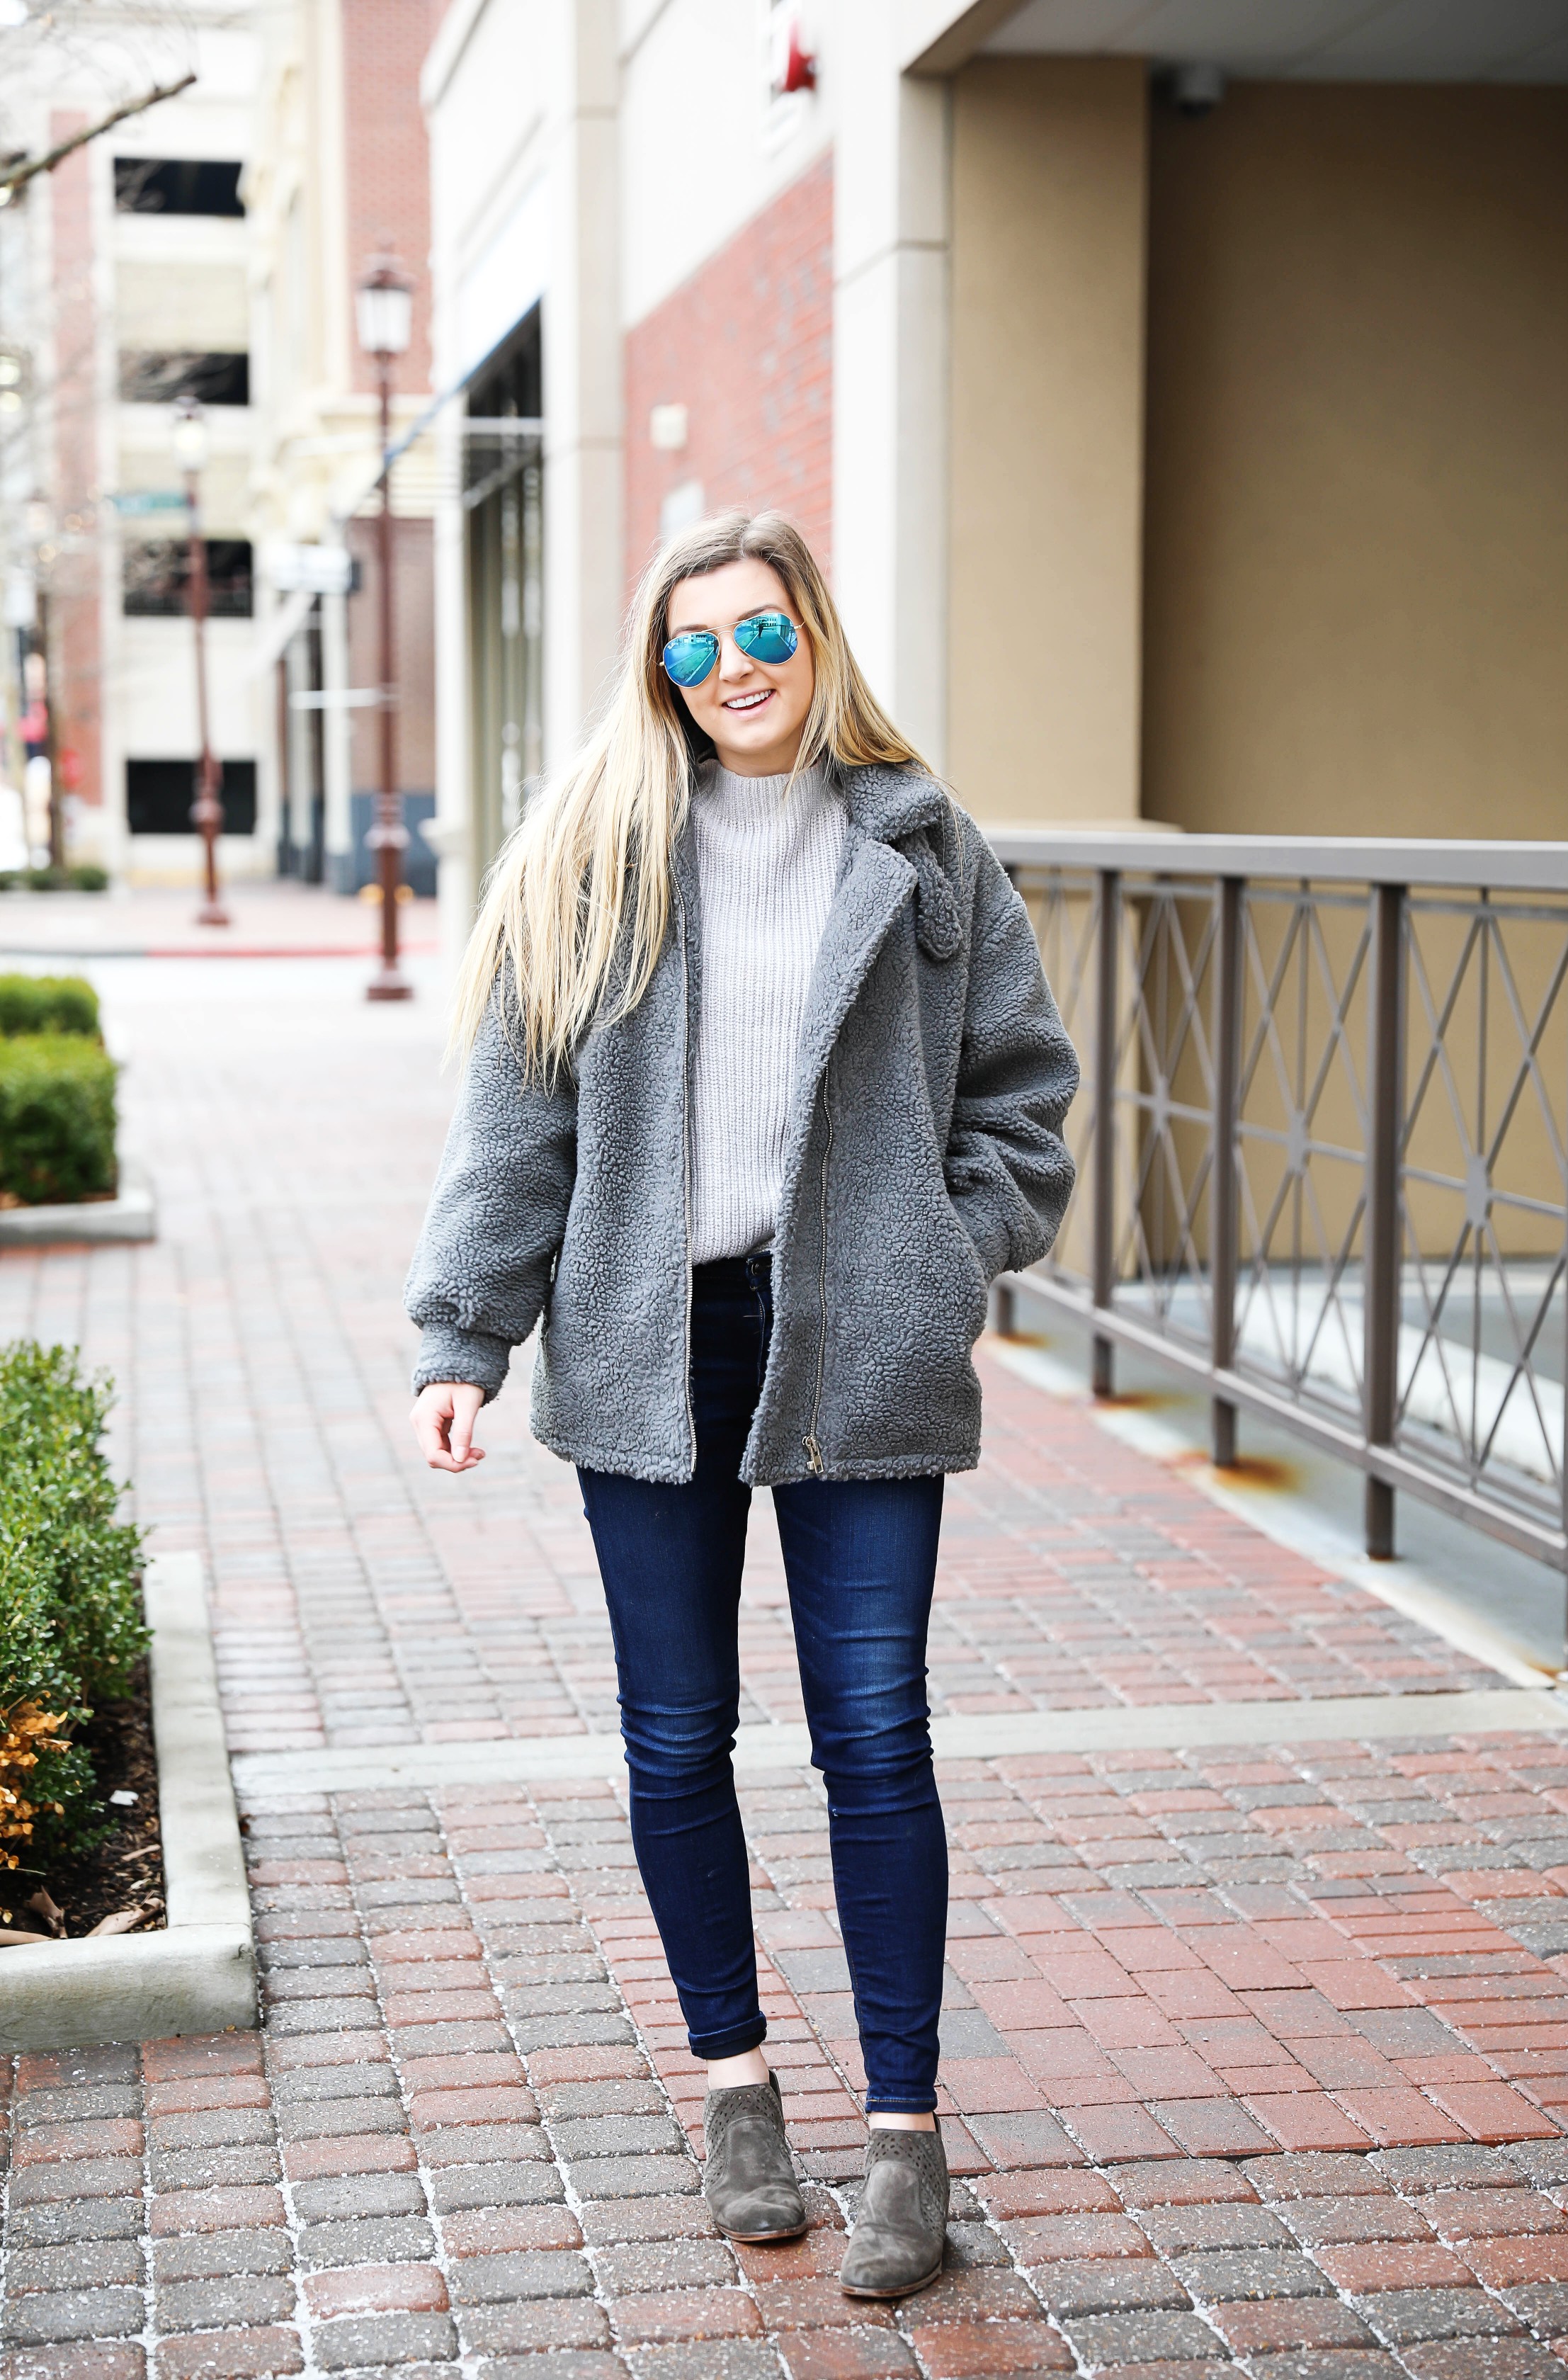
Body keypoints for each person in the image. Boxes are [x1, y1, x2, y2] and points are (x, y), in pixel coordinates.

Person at [406, 510, 1077, 2300]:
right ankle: (737, 2096)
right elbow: (514, 1125)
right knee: (673, 1734)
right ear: (661, 670)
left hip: (861, 1335)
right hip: (651, 1341)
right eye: (692, 646)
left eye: (759, 630)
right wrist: (461, 1338)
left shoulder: (926, 850)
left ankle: (906, 2139)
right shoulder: (596, 858)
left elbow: (1022, 1090)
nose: (732, 669)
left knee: (875, 1732)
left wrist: (954, 1249)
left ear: (815, 634)